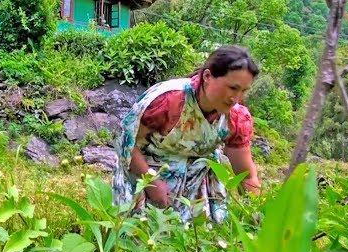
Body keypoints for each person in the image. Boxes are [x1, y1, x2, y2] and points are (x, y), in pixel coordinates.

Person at [112, 45, 261, 223]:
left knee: (188, 244)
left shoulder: (235, 118)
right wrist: (150, 180)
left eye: (243, 91)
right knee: (137, 238)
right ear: (207, 76)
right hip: (142, 175)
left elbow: (246, 175)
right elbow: (125, 143)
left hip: (195, 188)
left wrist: (256, 216)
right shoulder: (170, 101)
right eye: (232, 88)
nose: (236, 98)